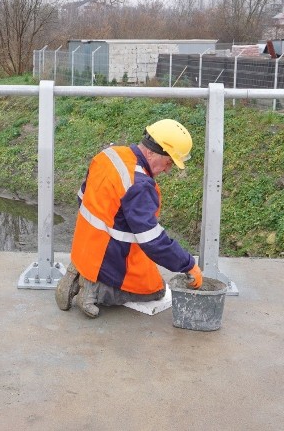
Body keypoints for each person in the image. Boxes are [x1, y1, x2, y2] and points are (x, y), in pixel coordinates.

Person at [55, 119, 203, 318]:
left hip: (84, 248)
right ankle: (94, 291)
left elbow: (82, 197)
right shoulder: (139, 184)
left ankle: (79, 271)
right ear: (152, 152)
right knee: (156, 290)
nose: (168, 170)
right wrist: (188, 264)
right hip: (110, 256)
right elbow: (153, 241)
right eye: (168, 162)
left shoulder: (110, 155)